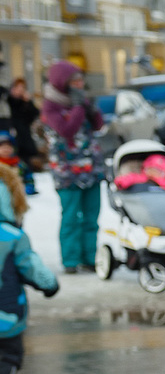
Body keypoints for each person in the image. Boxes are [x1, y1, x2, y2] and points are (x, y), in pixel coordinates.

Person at [1, 158, 59, 374]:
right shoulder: (12, 236)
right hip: (6, 316)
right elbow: (32, 267)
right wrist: (49, 284)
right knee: (8, 358)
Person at [40, 61, 104, 274]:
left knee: (91, 217)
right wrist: (78, 108)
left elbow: (98, 126)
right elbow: (66, 130)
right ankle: (70, 260)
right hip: (67, 172)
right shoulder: (50, 105)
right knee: (71, 218)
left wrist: (91, 109)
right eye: (75, 80)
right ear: (62, 82)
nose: (80, 84)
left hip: (90, 168)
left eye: (80, 80)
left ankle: (89, 258)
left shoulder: (81, 101)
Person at [9, 78, 42, 192]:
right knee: (13, 161)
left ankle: (28, 186)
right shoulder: (8, 100)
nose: (20, 90)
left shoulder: (25, 102)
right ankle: (15, 186)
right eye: (17, 87)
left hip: (24, 137)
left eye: (22, 88)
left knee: (26, 163)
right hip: (11, 136)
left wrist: (28, 102)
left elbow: (35, 114)